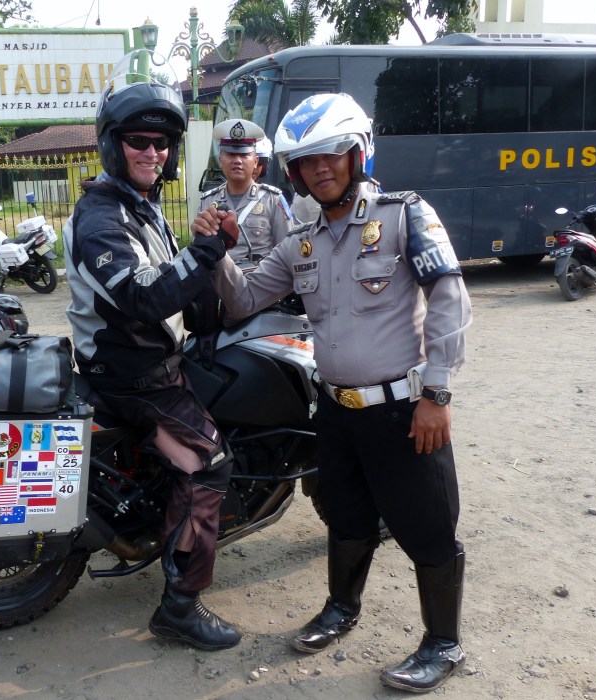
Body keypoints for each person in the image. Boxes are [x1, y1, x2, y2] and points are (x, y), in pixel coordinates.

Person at [193, 93, 473, 693]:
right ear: (292, 173)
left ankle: (443, 643)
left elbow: (450, 299)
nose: (320, 169)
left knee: (426, 528)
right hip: (336, 412)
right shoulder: (301, 243)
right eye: (306, 161)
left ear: (357, 155)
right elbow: (243, 300)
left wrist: (438, 395)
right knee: (346, 520)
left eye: (331, 155)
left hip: (403, 410)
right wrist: (218, 250)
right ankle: (342, 609)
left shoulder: (404, 215)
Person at [62, 53, 240, 651]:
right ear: (113, 144)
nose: (153, 152)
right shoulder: (99, 217)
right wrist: (207, 253)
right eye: (139, 140)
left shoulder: (143, 208)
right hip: (135, 377)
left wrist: (211, 294)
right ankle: (180, 608)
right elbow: (141, 297)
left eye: (162, 142)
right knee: (210, 464)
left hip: (152, 363)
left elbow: (174, 287)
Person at [199, 119, 291, 263]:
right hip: (218, 282)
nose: (237, 160)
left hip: (258, 282)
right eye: (230, 155)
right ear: (220, 160)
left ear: (255, 162)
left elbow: (287, 251)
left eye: (244, 155)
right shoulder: (208, 201)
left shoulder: (273, 200)